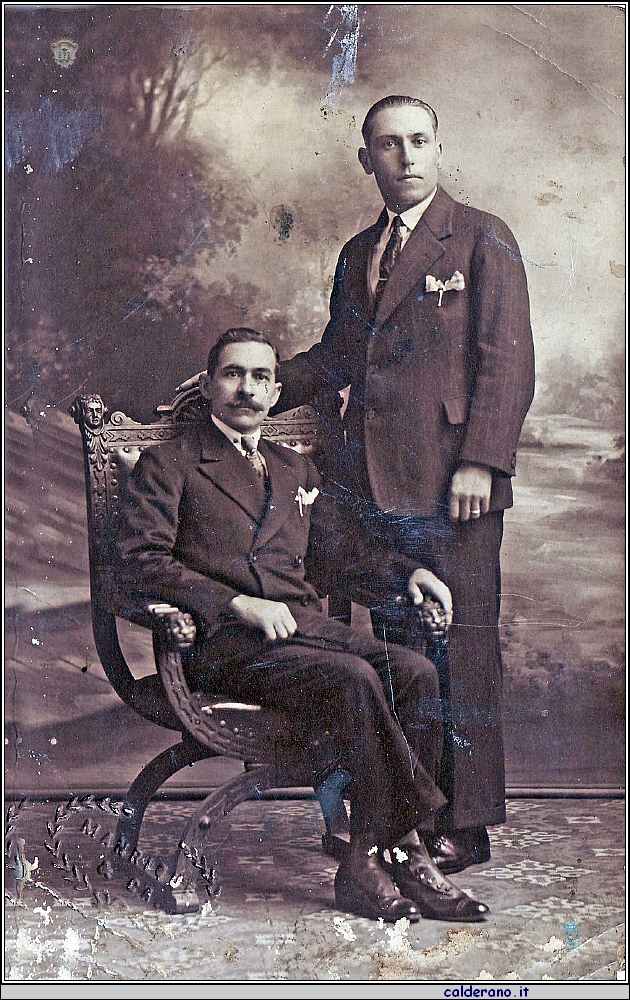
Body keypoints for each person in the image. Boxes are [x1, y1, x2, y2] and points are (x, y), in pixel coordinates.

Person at [117, 327, 489, 923]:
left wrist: (410, 573)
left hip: (302, 634)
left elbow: (340, 556)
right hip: (224, 644)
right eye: (233, 374)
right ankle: (408, 850)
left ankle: (368, 856)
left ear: (275, 391)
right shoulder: (170, 464)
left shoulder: (295, 468)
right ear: (208, 386)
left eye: (260, 377)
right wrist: (236, 604)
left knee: (415, 672)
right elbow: (139, 563)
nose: (246, 389)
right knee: (352, 678)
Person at [273, 96, 536, 875]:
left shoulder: (482, 236)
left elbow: (508, 360)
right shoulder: (360, 252)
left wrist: (483, 460)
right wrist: (256, 384)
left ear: (439, 148)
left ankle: (469, 824)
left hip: (455, 484)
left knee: (463, 648)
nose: (407, 156)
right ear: (368, 161)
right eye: (389, 145)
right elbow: (336, 357)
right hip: (373, 486)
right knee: (401, 653)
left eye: (419, 140)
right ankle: (410, 817)